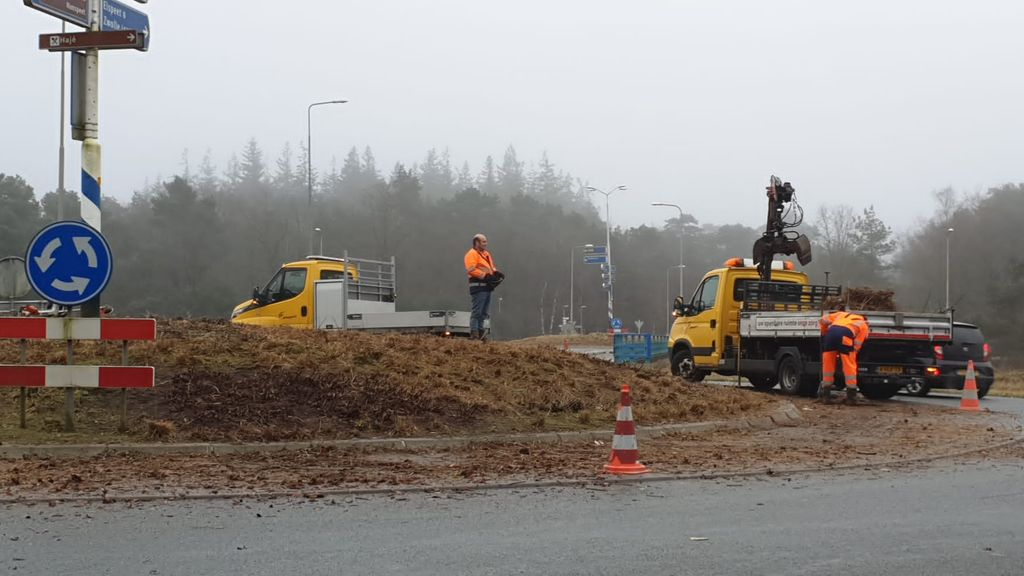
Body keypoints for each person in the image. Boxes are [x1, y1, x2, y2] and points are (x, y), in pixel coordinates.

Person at [819, 303, 870, 404]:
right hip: (845, 335)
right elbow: (857, 344)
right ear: (865, 319)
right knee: (849, 366)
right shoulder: (864, 325)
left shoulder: (841, 314)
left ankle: (826, 396)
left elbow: (823, 319)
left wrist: (824, 332)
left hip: (830, 334)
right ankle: (851, 397)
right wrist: (851, 352)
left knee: (828, 366)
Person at [464, 233, 503, 340]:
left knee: (484, 312)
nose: (486, 243)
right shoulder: (471, 254)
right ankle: (474, 333)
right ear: (477, 242)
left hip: (487, 287)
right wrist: (485, 276)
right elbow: (471, 270)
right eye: (484, 241)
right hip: (478, 286)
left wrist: (496, 273)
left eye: (486, 241)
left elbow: (490, 267)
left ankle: (481, 334)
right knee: (477, 311)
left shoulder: (486, 254)